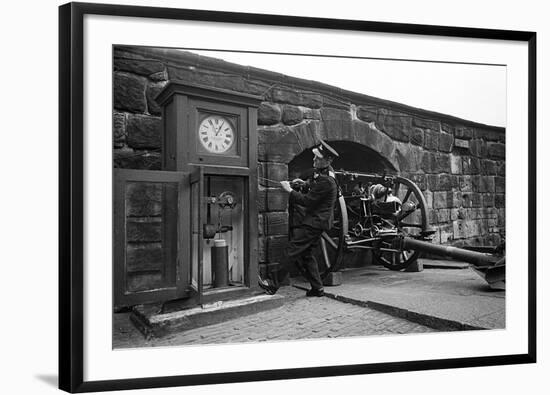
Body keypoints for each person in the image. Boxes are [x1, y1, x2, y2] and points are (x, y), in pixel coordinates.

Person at [279, 140, 339, 297]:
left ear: (328, 160)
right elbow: (317, 187)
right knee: (307, 255)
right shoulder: (327, 173)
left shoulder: (327, 180)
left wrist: (289, 191)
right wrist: (305, 184)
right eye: (315, 158)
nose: (314, 160)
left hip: (314, 222)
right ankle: (317, 288)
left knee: (292, 250)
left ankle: (272, 284)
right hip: (319, 221)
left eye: (317, 158)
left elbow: (307, 201)